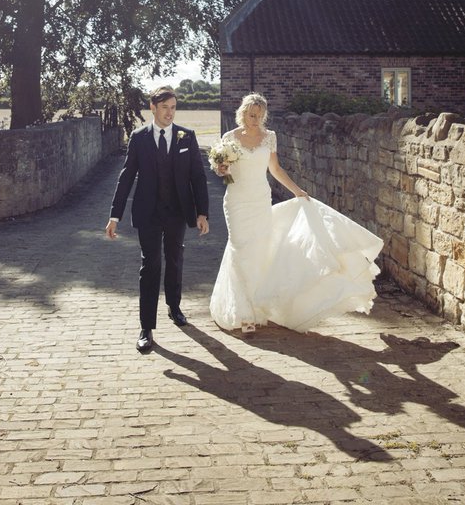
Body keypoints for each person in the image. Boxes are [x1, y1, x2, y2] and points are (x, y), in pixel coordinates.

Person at [210, 92, 383, 334]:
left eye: (259, 116)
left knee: (258, 251)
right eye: (251, 115)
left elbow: (275, 169)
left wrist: (297, 191)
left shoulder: (270, 137)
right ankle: (243, 313)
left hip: (260, 200)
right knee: (240, 249)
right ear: (243, 113)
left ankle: (257, 307)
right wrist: (221, 168)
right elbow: (223, 172)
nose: (255, 119)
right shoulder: (230, 137)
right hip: (237, 201)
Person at [106, 86, 210, 353]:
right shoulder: (139, 138)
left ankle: (174, 308)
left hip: (177, 211)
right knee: (150, 266)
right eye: (165, 107)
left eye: (173, 107)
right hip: (148, 213)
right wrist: (114, 216)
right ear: (153, 108)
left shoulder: (187, 137)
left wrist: (202, 213)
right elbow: (126, 176)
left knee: (175, 260)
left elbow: (198, 177)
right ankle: (146, 327)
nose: (170, 113)